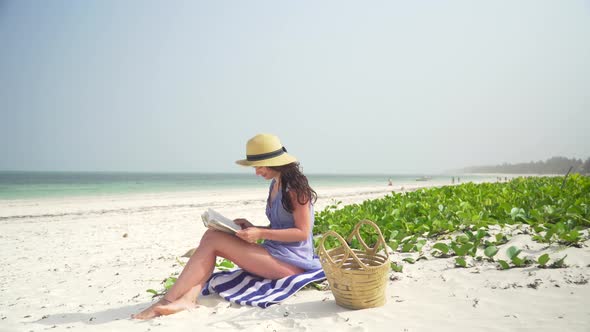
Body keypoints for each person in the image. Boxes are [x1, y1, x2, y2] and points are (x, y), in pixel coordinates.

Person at [132, 133, 320, 319]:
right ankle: (188, 298)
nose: (256, 172)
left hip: (293, 263)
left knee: (213, 239)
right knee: (211, 235)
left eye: (259, 166)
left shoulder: (296, 189)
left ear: (274, 161)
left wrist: (261, 233)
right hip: (276, 254)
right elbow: (282, 225)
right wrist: (253, 226)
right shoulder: (275, 183)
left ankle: (165, 302)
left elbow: (302, 233)